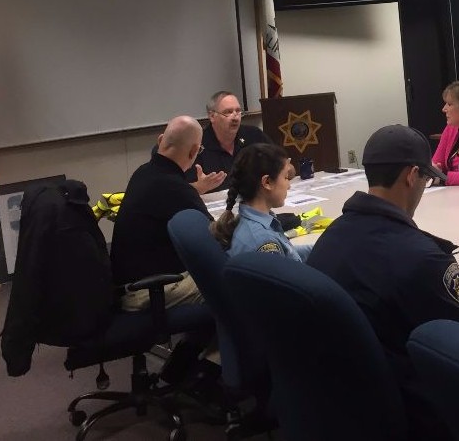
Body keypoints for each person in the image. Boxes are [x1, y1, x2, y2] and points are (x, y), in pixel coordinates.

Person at [306, 124, 459, 440]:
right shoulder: (422, 259)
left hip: (340, 400)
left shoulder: (332, 234)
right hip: (410, 412)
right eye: (426, 179)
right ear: (412, 175)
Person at [110, 116, 212, 310]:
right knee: (233, 280)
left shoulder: (144, 172)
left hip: (127, 284)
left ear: (160, 141)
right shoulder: (175, 188)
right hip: (147, 291)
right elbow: (216, 236)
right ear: (193, 151)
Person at [210, 143, 311, 261]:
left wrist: (326, 248)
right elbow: (290, 275)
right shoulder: (263, 241)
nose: (288, 186)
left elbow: (290, 254)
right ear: (267, 182)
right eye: (285, 177)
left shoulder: (252, 221)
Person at [191, 90, 272, 194]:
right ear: (212, 116)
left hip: (252, 200)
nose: (235, 117)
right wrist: (200, 187)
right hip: (215, 206)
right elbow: (179, 190)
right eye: (228, 112)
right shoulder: (197, 144)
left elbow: (286, 167)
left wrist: (281, 170)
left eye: (238, 111)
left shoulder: (254, 135)